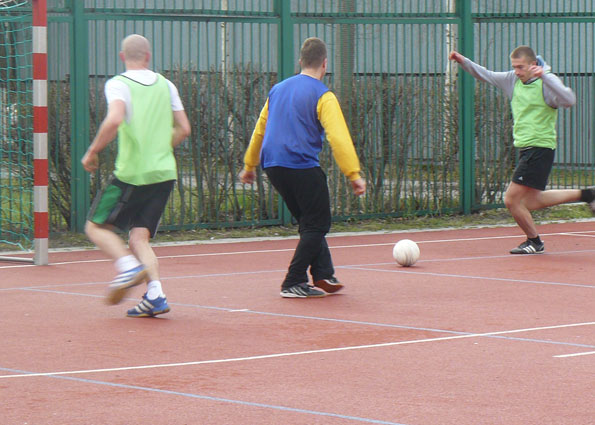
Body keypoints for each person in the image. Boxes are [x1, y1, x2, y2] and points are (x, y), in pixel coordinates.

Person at [240, 37, 366, 298]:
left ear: (300, 61)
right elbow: (338, 137)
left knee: (309, 222)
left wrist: (250, 164)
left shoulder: (277, 90)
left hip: (273, 165)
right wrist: (353, 174)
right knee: (318, 224)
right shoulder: (323, 94)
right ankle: (293, 280)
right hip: (300, 164)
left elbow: (260, 129)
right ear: (325, 64)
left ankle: (323, 273)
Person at [81, 34, 191, 316]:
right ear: (148, 56)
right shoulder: (166, 85)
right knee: (139, 238)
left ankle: (128, 267)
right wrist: (159, 149)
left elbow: (115, 119)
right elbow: (184, 129)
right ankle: (155, 295)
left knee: (95, 227)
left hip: (132, 174)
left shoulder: (118, 84)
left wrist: (92, 151)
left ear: (122, 57)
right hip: (164, 173)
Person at [450, 46, 595, 254]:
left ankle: (534, 241)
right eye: (514, 67)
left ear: (533, 65)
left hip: (539, 148)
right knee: (531, 201)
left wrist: (545, 76)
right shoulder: (512, 80)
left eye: (521, 67)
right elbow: (486, 75)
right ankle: (588, 194)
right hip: (527, 149)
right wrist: (462, 60)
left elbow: (569, 100)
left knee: (511, 199)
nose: (517, 71)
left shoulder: (546, 83)